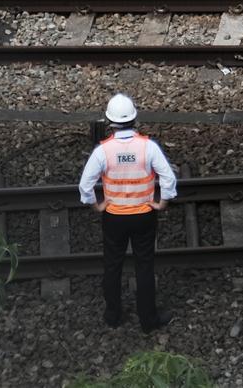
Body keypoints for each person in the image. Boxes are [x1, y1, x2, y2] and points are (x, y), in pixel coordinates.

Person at [79, 93, 177, 333]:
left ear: (109, 122)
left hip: (114, 217)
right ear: (134, 118)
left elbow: (85, 185)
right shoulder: (148, 147)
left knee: (112, 265)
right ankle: (148, 320)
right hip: (144, 214)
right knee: (144, 265)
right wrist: (162, 201)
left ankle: (113, 315)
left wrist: (96, 205)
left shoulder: (103, 151)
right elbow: (168, 177)